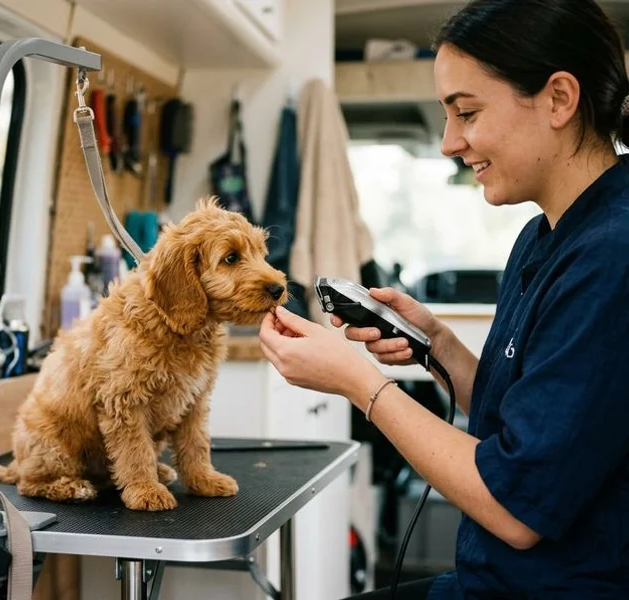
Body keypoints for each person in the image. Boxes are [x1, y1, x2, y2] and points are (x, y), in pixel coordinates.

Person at [259, 0, 629, 598]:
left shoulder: (612, 256)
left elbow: (518, 509)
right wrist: (440, 348)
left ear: (560, 98)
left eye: (467, 112)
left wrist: (361, 384)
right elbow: (526, 424)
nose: (450, 143)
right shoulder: (542, 236)